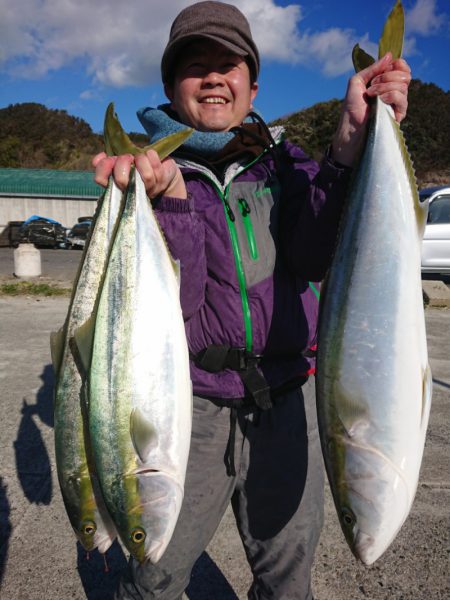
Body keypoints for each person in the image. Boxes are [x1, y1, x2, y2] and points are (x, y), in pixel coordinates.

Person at [93, 2, 411, 599]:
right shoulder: (147, 180)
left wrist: (351, 143)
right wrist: (175, 201)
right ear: (169, 86)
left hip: (286, 401)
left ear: (252, 83)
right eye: (196, 65)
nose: (214, 77)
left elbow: (315, 255)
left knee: (288, 576)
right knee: (155, 569)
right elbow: (173, 313)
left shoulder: (286, 165)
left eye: (228, 64)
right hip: (191, 409)